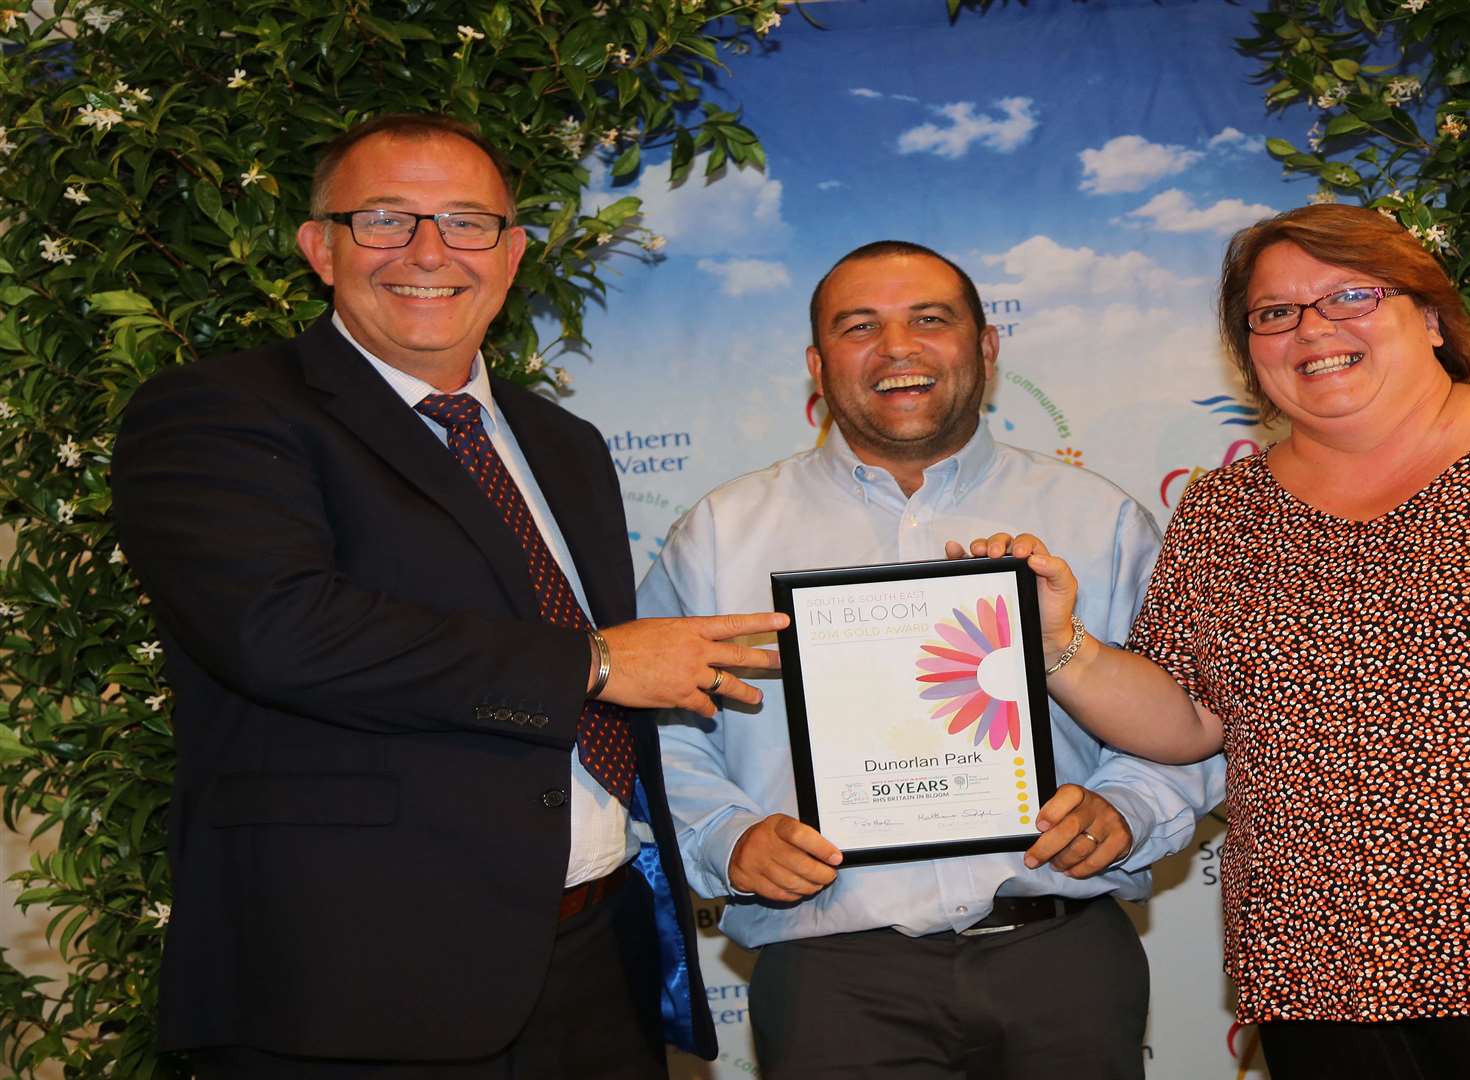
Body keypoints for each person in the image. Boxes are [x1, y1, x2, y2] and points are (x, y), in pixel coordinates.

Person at [959, 204, 1470, 1079]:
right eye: (1275, 313)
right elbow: (1190, 719)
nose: (1312, 328)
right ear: (1252, 354)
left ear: (1429, 316)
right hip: (1324, 984)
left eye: (1350, 295)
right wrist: (1062, 647)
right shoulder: (1224, 514)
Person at [111, 114, 787, 1078]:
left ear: (511, 255)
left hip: (597, 968)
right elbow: (278, 629)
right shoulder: (222, 412)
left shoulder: (565, 446)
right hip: (356, 990)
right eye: (385, 218)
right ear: (321, 248)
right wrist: (596, 663)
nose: (429, 252)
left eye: (468, 223)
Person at [637, 240, 1225, 1080]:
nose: (898, 348)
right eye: (859, 326)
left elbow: (1195, 713)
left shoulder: (1102, 520)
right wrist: (726, 839)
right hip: (833, 977)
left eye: (930, 320)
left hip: (1063, 962)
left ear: (985, 347)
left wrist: (1130, 806)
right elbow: (661, 731)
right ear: (817, 363)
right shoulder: (723, 535)